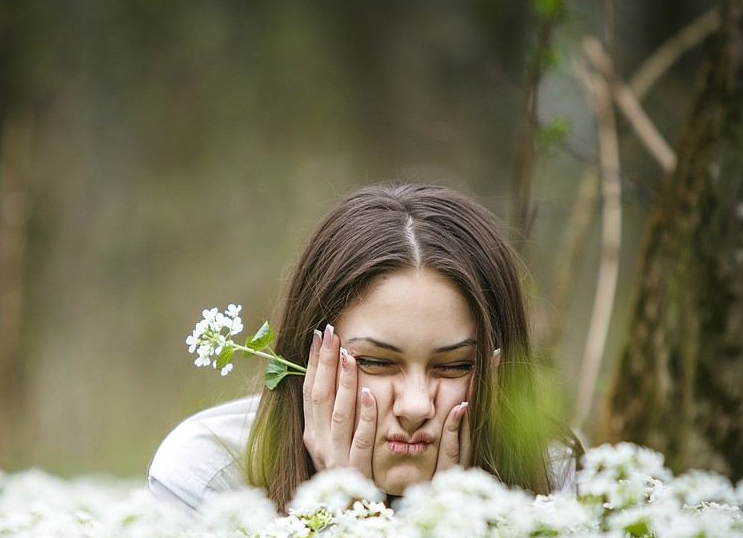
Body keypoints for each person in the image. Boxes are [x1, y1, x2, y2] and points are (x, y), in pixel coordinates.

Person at [149, 183, 580, 515]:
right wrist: (346, 524)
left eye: (454, 366)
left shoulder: (550, 478)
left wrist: (447, 536)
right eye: (375, 362)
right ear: (308, 364)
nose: (415, 407)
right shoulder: (208, 478)